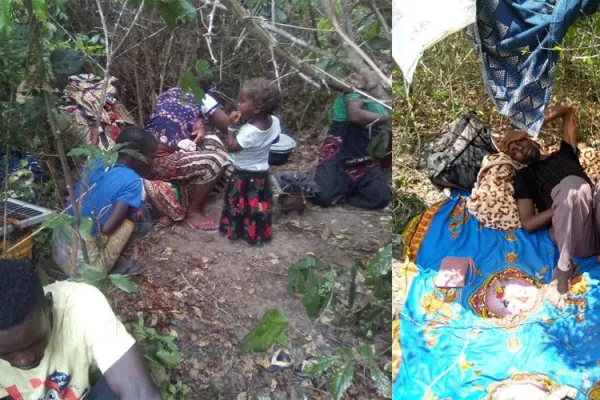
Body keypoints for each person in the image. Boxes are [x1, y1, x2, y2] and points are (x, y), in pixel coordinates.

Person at [0, 259, 160, 400]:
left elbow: (140, 393)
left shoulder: (82, 304)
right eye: (4, 353)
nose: (24, 360)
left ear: (49, 306)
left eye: (35, 342)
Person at [502, 98, 595, 308]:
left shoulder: (566, 153)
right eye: (513, 151)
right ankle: (562, 268)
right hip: (577, 234)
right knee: (572, 186)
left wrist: (525, 129)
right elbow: (528, 223)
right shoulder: (525, 176)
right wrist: (562, 206)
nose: (519, 148)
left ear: (532, 140)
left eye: (520, 142)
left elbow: (569, 106)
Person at [52, 126, 158, 277]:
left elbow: (71, 186)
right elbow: (107, 228)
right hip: (83, 266)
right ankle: (109, 263)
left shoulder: (96, 160)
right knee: (140, 215)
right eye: (150, 157)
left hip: (59, 247)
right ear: (136, 155)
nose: (151, 162)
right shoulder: (132, 180)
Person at [146, 84, 232, 231]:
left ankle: (206, 190)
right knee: (216, 160)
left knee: (212, 141)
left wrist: (201, 128)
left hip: (148, 153)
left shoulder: (171, 93)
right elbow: (227, 128)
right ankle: (194, 212)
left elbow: (178, 125)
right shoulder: (202, 97)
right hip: (159, 160)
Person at [311, 74, 392, 210]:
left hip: (364, 160)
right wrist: (388, 118)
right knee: (323, 197)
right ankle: (330, 184)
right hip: (340, 154)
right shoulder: (352, 93)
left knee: (381, 198)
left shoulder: (380, 99)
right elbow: (355, 116)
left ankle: (345, 192)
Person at [219, 78, 280, 246]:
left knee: (239, 203)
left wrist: (231, 127)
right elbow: (275, 138)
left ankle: (236, 230)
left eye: (243, 101)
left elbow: (231, 147)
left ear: (257, 108)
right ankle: (256, 233)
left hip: (244, 174)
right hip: (261, 173)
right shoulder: (274, 122)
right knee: (256, 206)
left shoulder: (248, 133)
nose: (239, 104)